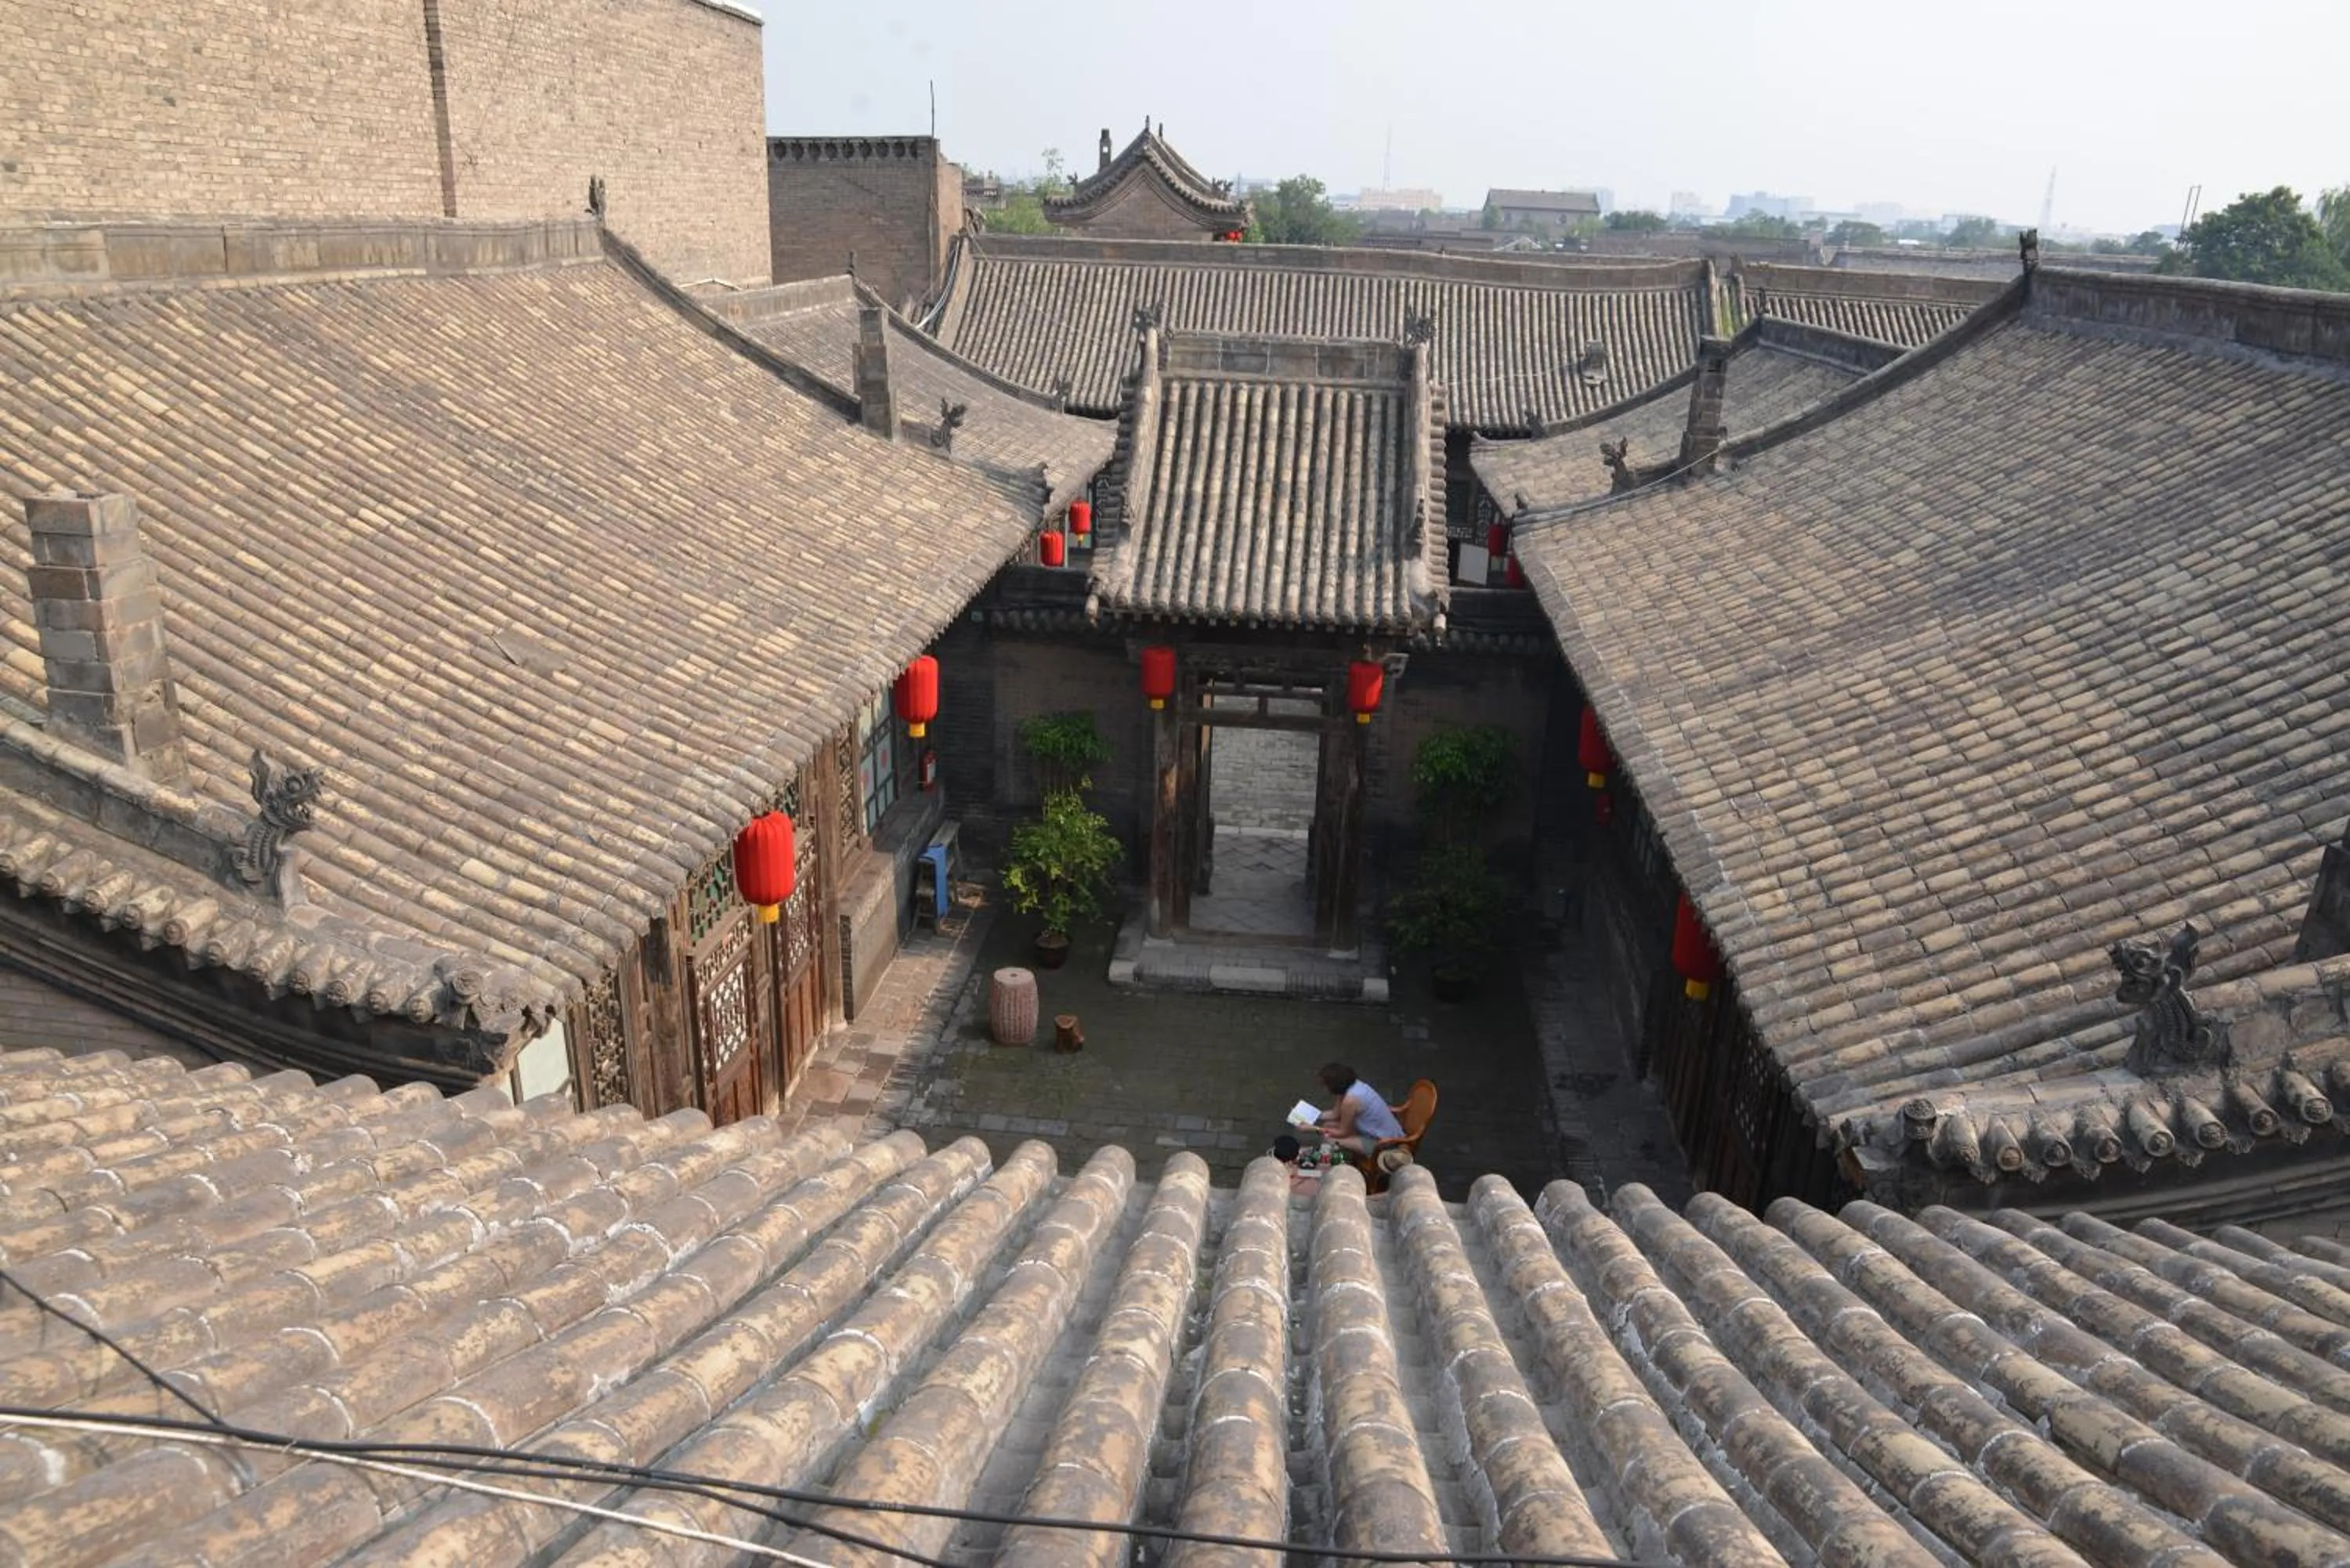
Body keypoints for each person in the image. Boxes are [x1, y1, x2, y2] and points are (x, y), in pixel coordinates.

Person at [1314, 1063, 1405, 1158]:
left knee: (1328, 1138)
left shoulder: (1350, 1100)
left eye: (1326, 1085)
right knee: (1328, 1126)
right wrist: (1311, 1115)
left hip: (1382, 1141)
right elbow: (1335, 1114)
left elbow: (1343, 1132)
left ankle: (1333, 1163)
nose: (1325, 1089)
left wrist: (1314, 1129)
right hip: (1375, 1130)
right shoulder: (1353, 1085)